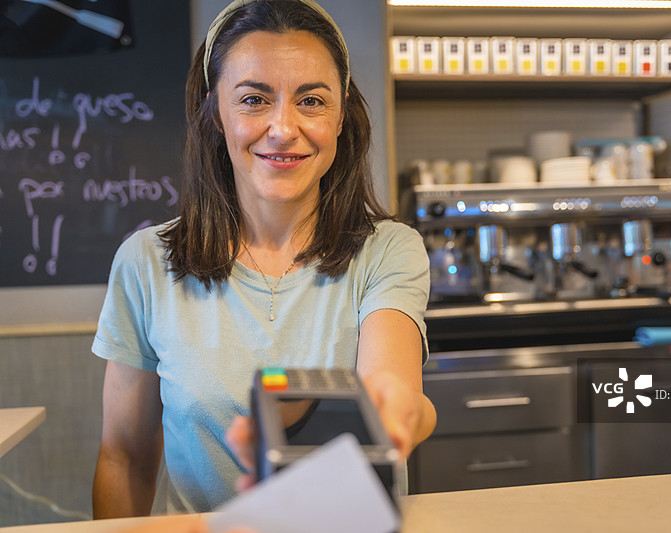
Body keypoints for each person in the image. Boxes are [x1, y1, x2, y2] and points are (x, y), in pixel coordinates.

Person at [92, 0, 436, 518]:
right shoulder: (145, 263)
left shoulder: (388, 249)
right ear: (215, 112)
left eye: (311, 101)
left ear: (341, 115)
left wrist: (402, 409)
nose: (283, 128)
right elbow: (125, 457)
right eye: (254, 99)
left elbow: (394, 387)